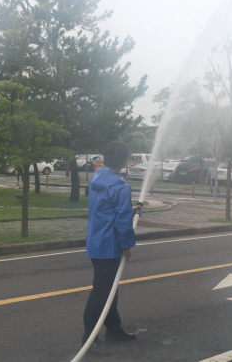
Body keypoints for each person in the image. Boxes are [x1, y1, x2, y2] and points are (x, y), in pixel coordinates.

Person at [82, 141, 140, 357]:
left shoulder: (98, 178)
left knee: (109, 289)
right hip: (110, 245)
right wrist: (127, 246)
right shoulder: (121, 186)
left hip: (96, 240)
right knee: (101, 293)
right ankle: (89, 340)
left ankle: (114, 329)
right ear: (125, 161)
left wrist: (129, 208)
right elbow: (122, 222)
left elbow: (107, 208)